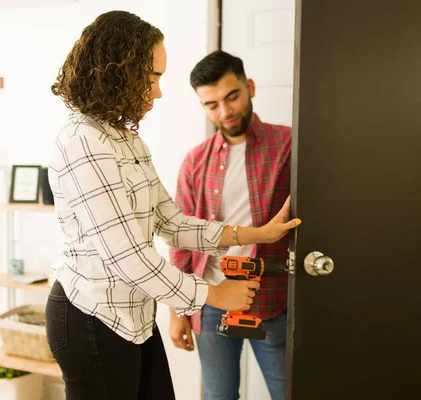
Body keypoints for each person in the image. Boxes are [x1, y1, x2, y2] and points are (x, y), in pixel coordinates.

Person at [46, 11, 300, 400]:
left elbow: (173, 222)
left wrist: (258, 233)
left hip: (135, 316)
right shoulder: (82, 141)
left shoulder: (127, 140)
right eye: (153, 77)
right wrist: (213, 295)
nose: (158, 91)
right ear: (119, 72)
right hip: (92, 319)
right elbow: (127, 256)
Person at [168, 50, 293, 400]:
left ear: (249, 86)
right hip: (211, 302)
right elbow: (180, 241)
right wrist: (180, 312)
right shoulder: (195, 161)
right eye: (211, 105)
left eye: (232, 96)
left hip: (272, 302)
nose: (224, 112)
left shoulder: (290, 145)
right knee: (217, 395)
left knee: (288, 392)